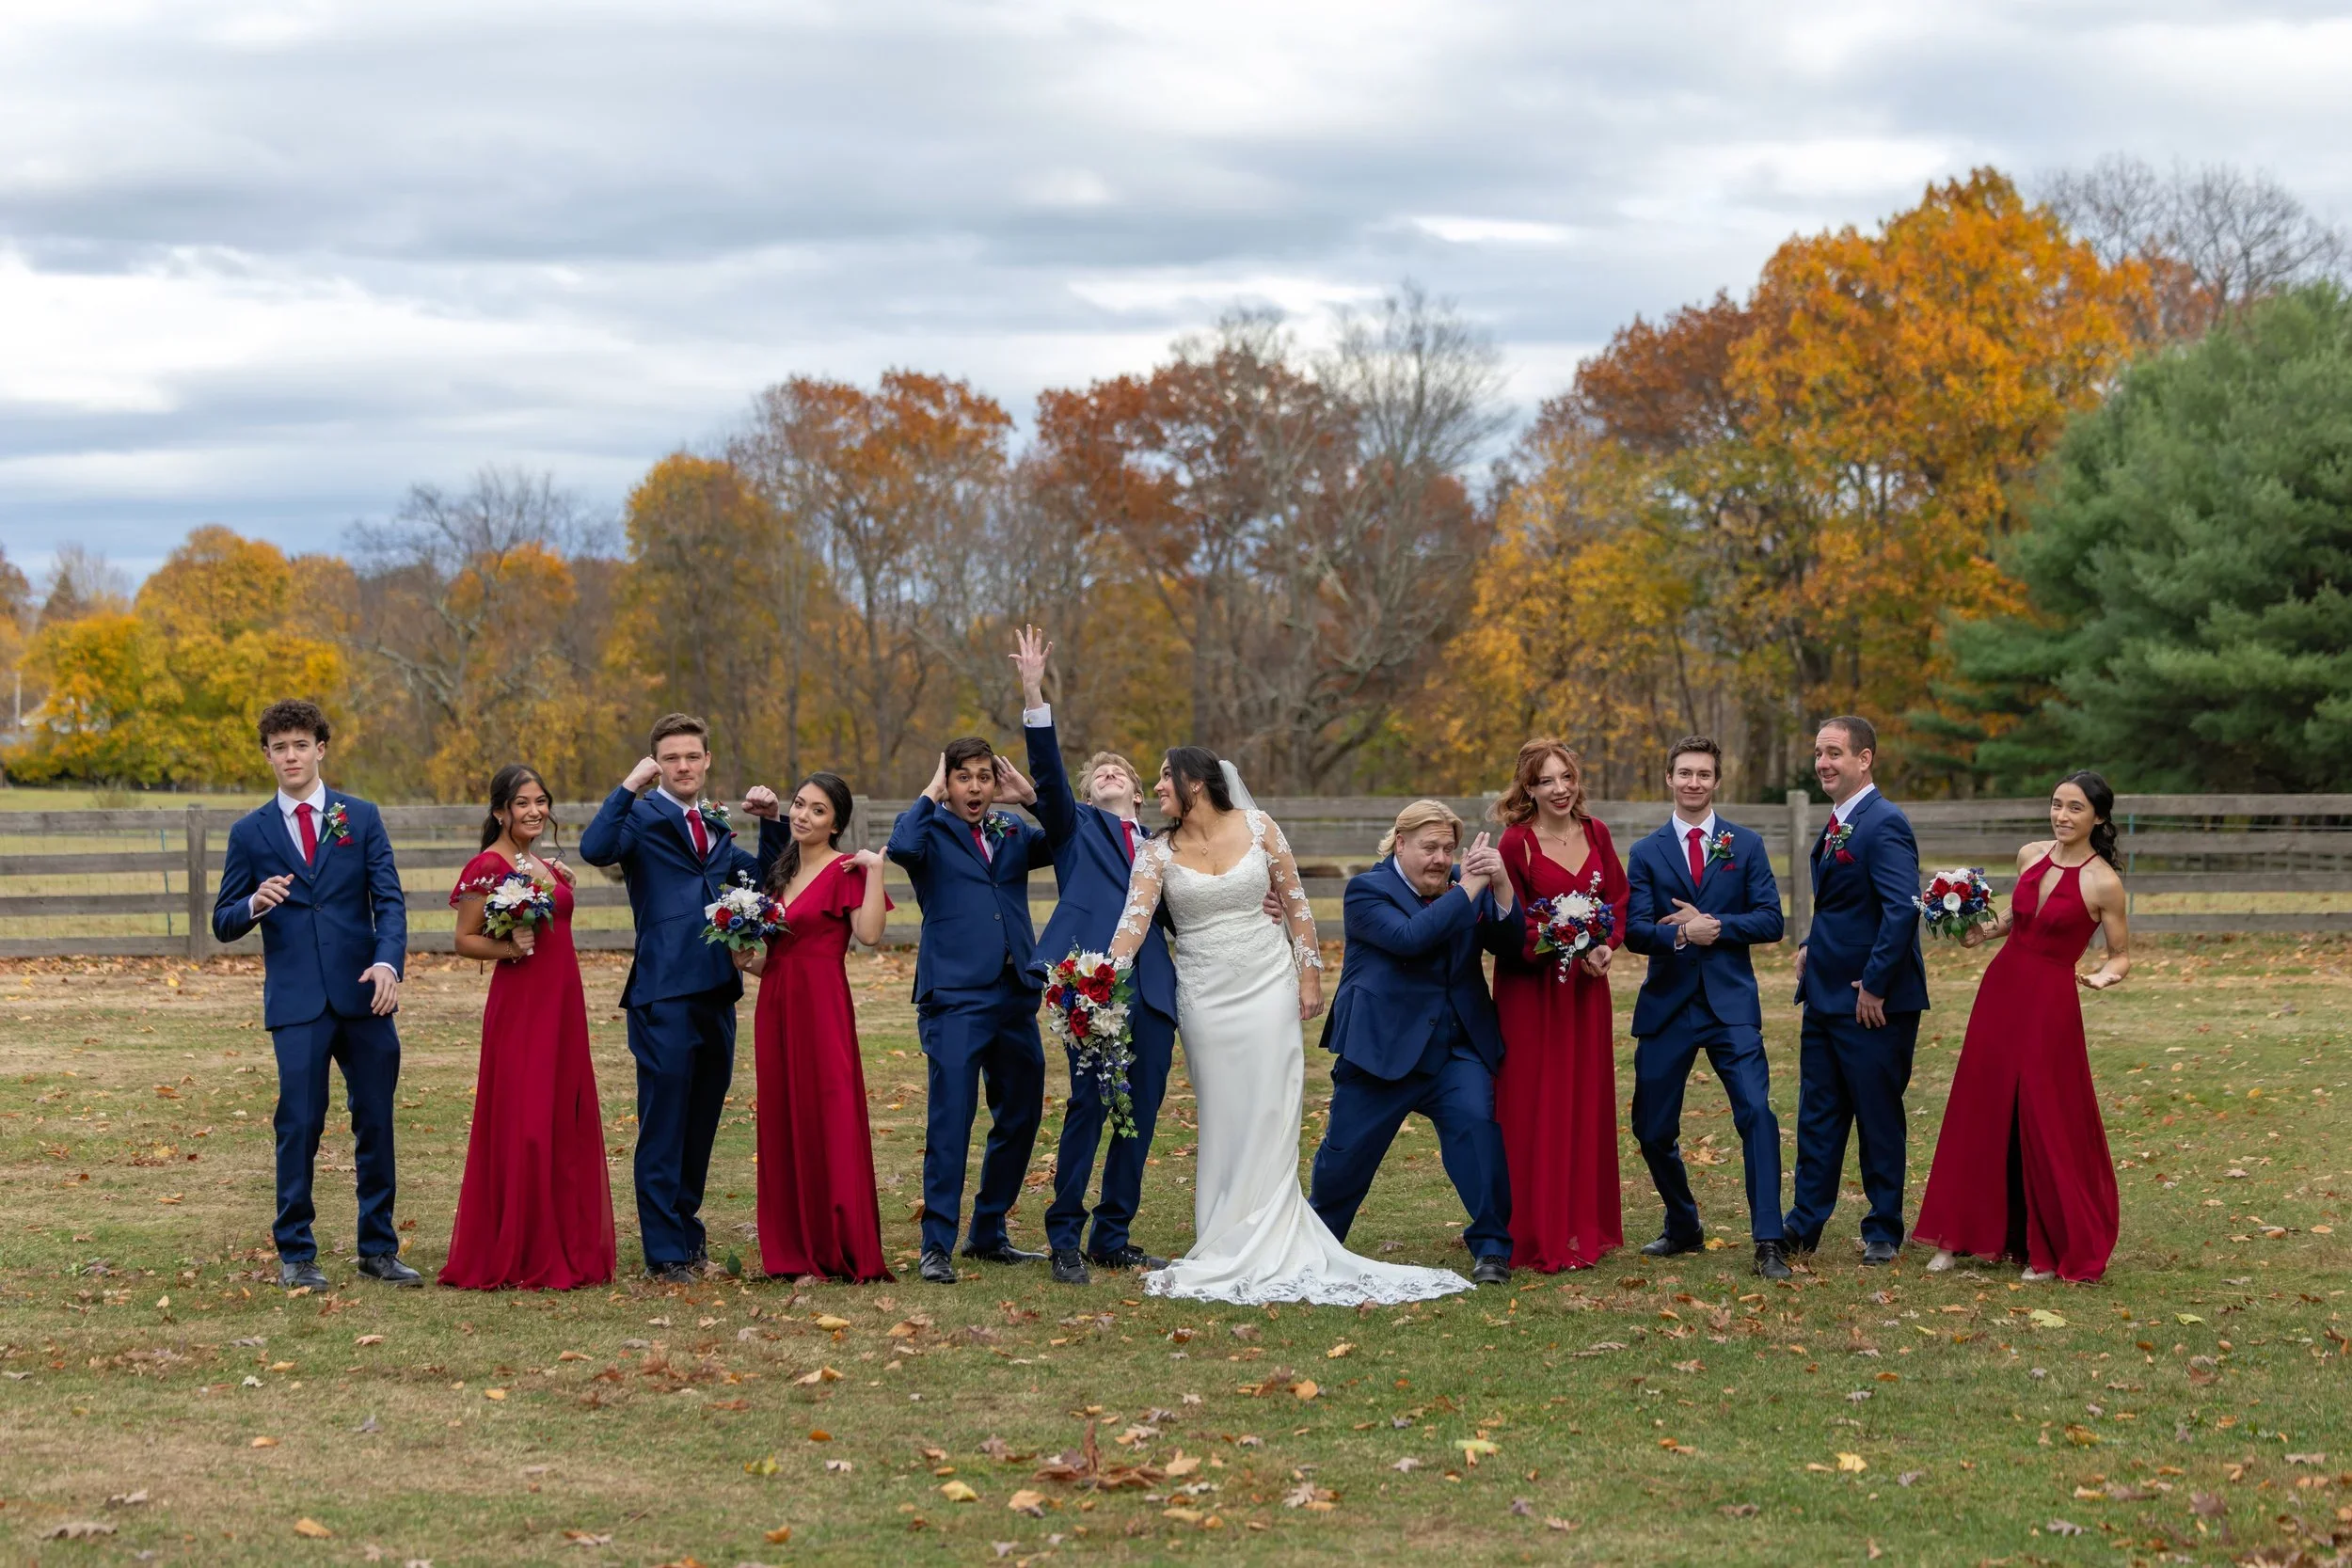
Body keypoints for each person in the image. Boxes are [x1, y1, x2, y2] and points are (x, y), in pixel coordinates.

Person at [1108, 748, 1470, 1306]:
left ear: (1196, 783)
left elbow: (1298, 906)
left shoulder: (1259, 826)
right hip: (1204, 995)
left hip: (1268, 984)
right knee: (1224, 1111)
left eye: (1164, 777)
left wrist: (1309, 976)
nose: (1156, 788)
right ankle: (1225, 1231)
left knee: (1271, 1107)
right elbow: (1132, 924)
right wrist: (1099, 979)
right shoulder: (1156, 851)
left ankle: (1274, 1228)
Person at [211, 699, 417, 1291]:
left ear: (320, 749)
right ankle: (296, 1253)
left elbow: (390, 901)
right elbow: (222, 920)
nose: (291, 756)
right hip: (297, 1002)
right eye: (280, 748)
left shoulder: (361, 817)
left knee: (375, 1122)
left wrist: (387, 963)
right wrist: (254, 903)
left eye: (301, 745)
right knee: (299, 1125)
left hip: (365, 995)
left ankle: (378, 1249)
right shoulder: (249, 832)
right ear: (267, 756)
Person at [579, 714, 787, 1284]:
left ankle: (688, 1238)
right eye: (671, 758)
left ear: (707, 761)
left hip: (718, 989)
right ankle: (664, 1253)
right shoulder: (641, 817)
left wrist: (772, 822)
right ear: (658, 764)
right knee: (665, 1123)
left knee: (700, 1123)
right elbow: (595, 848)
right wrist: (629, 786)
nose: (683, 766)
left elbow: (766, 880)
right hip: (663, 991)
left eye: (692, 756)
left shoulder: (716, 825)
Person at [1915, 771, 2130, 1282]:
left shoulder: (2104, 882)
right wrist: (1982, 933)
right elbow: (2016, 915)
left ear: (2098, 817)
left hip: (2051, 1000)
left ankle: (2047, 1244)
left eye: (2075, 808)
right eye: (2057, 805)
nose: (2062, 816)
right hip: (2002, 988)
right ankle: (1956, 1235)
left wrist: (2104, 975)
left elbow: (2121, 954)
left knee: (2043, 1114)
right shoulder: (2030, 855)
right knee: (1979, 1104)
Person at [1012, 626, 1178, 1285]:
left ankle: (1114, 1233)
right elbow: (1050, 777)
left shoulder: (1166, 848)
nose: (1108, 773)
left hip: (1155, 990)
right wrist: (1034, 693)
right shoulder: (1075, 828)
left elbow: (1188, 911)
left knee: (1140, 1113)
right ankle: (1065, 1236)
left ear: (1138, 793)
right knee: (1089, 1107)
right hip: (1090, 986)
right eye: (1097, 773)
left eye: (1120, 772)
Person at [1310, 800, 1523, 1287]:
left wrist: (1502, 885)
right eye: (1430, 848)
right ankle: (1318, 1239)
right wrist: (1469, 888)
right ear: (1400, 843)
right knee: (1345, 1161)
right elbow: (1410, 938)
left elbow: (1511, 946)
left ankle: (1492, 1248)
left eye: (1449, 849)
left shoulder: (1464, 885)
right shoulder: (1366, 890)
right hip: (1380, 1048)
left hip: (1457, 1047)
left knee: (1478, 1136)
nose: (1441, 859)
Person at [1620, 736, 1790, 1279]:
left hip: (1730, 1006)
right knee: (1651, 1129)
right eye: (1685, 773)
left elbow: (1771, 919)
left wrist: (1712, 926)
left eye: (1704, 774)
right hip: (1668, 1006)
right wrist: (1678, 935)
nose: (1694, 782)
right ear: (1669, 779)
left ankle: (1769, 1240)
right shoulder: (1646, 852)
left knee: (1757, 1114)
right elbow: (1634, 930)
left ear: (1717, 781)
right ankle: (1683, 1223)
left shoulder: (1746, 844)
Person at [441, 765, 616, 1291]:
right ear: (500, 811)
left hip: (563, 1003)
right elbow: (464, 939)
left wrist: (559, 882)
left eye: (541, 801)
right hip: (522, 1006)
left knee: (562, 1114)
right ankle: (520, 1244)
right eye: (522, 803)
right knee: (528, 1119)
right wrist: (508, 948)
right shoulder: (487, 865)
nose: (535, 811)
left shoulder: (540, 862)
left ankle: (562, 1235)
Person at [888, 736, 1055, 1284]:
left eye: (984, 776)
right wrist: (932, 792)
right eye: (964, 777)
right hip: (955, 997)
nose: (976, 787)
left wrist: (1031, 799)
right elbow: (901, 848)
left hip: (1015, 992)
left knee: (1021, 1113)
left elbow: (1067, 840)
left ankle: (988, 1231)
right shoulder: (927, 830)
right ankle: (936, 1243)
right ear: (949, 782)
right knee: (951, 1120)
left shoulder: (1012, 830)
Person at [738, 772, 895, 1283]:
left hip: (822, 1008)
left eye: (818, 810)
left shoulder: (844, 870)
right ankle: (791, 1247)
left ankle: (836, 1243)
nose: (803, 815)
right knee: (784, 1115)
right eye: (800, 804)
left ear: (836, 824)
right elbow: (779, 959)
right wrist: (746, 961)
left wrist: (876, 871)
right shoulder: (779, 875)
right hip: (776, 1005)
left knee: (828, 1113)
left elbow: (869, 934)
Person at [1785, 715, 1929, 1265]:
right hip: (1824, 996)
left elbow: (1900, 910)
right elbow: (1844, 904)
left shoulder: (1884, 822)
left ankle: (1883, 1228)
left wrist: (1874, 985)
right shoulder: (1841, 820)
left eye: (1834, 753)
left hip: (1874, 1005)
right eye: (1819, 753)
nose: (1823, 763)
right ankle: (1804, 1224)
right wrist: (1810, 941)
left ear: (1864, 759)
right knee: (1818, 1116)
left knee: (1876, 1115)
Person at [1490, 741, 1629, 1273]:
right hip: (1532, 991)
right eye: (1547, 780)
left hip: (1585, 991)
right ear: (1528, 788)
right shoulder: (1516, 843)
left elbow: (1617, 898)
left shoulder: (1597, 833)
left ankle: (1580, 1221)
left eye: (1566, 776)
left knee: (1583, 1095)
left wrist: (1605, 944)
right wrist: (1560, 939)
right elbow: (1507, 918)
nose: (1560, 788)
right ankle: (1531, 1226)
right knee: (1534, 1099)